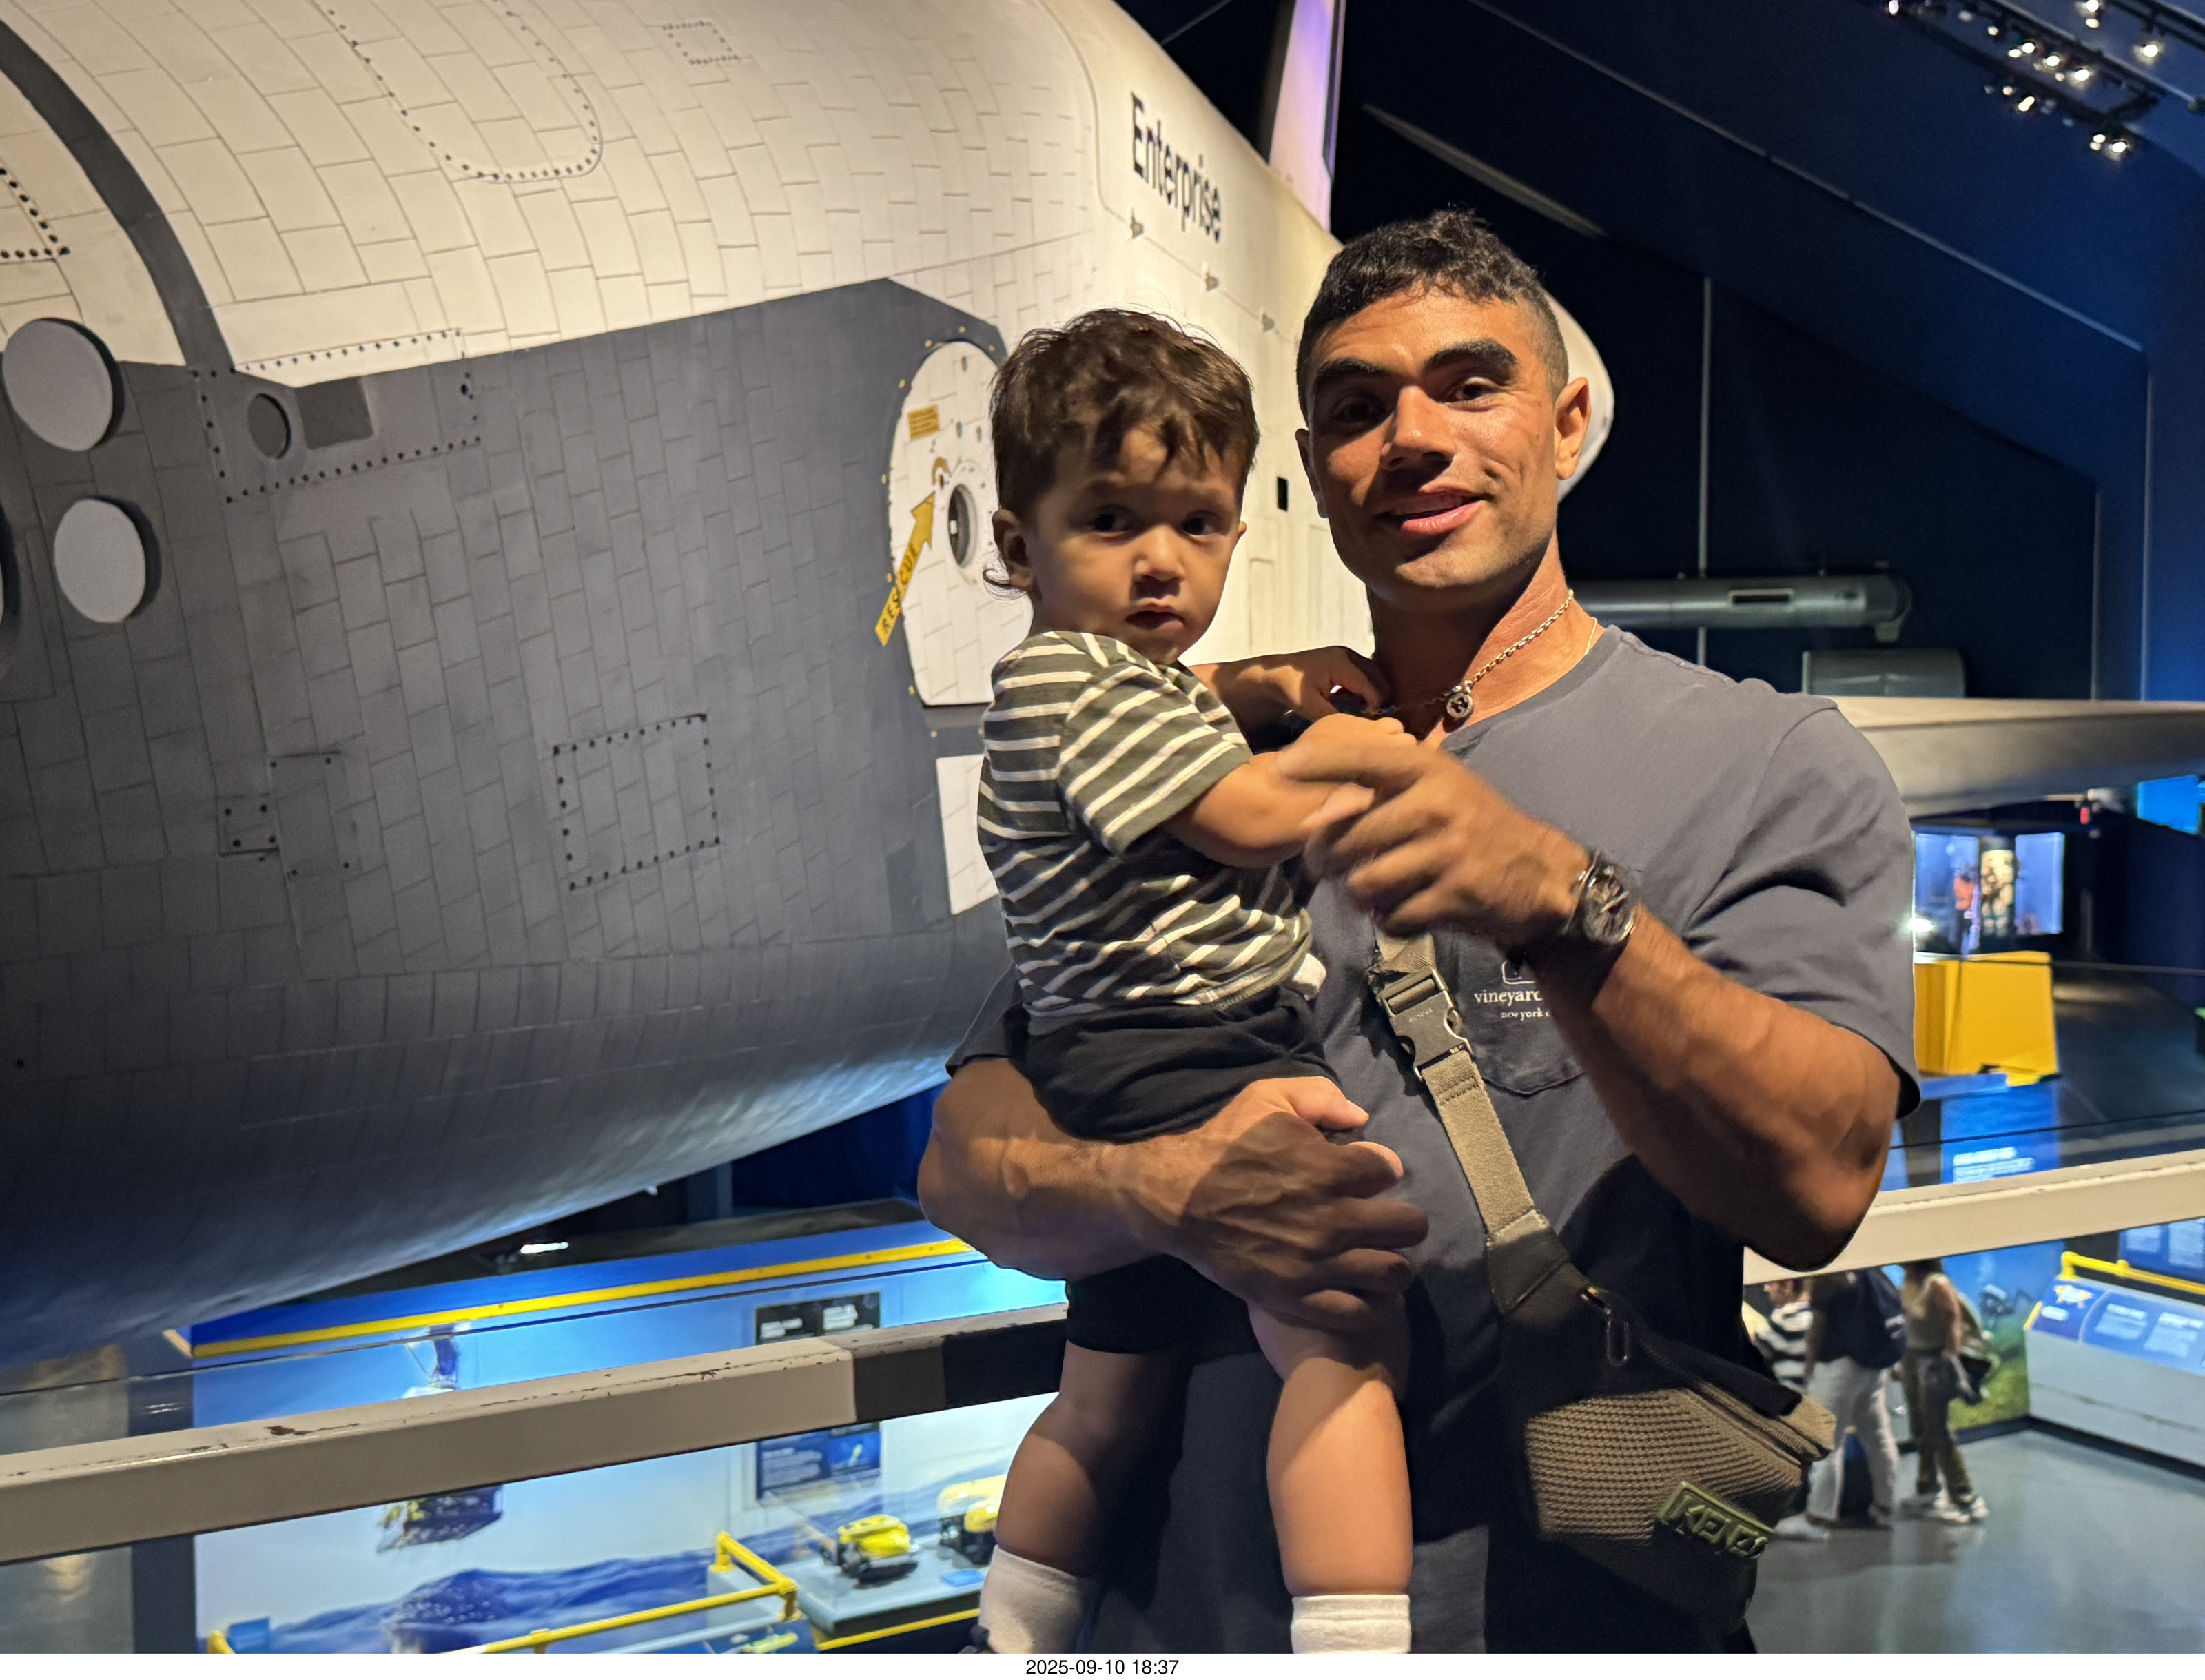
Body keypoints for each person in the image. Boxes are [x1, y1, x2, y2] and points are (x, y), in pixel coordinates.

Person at [920, 208, 1918, 1652]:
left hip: (1555, 1620)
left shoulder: (1770, 764)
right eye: (1356, 408)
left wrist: (1569, 909)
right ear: (1311, 473)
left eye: (1470, 385)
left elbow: (1819, 1185)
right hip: (1171, 1622)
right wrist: (1157, 1191)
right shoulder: (1191, 747)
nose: (1413, 439)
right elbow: (964, 1163)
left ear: (1568, 425)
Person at [967, 309, 1415, 1655]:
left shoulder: (1086, 680)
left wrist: (1259, 688)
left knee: (1107, 1385)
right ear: (1018, 547)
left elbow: (1186, 715)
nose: (1162, 559)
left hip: (1101, 1063)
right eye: (1112, 520)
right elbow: (1245, 817)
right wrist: (1373, 758)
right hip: (1197, 1049)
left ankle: (1017, 1627)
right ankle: (1355, 1636)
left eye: (1198, 523)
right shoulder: (1089, 687)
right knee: (1337, 1340)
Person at [1774, 1270, 1904, 1540]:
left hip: (1837, 1365)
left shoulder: (1829, 1274)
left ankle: (1818, 1519)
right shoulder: (1870, 1270)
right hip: (1871, 1365)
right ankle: (1884, 1508)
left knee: (1826, 1443)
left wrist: (1809, 1365)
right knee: (1878, 1436)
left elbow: (1819, 1323)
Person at [1898, 1258, 1988, 1523]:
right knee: (1919, 1427)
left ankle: (1965, 1497)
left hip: (1935, 1361)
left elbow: (1953, 1322)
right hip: (1911, 1358)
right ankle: (1928, 1488)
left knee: (1938, 1430)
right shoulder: (1908, 1282)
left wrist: (1950, 1360)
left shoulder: (1937, 1284)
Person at [1754, 1278, 1814, 1392]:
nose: (1766, 1289)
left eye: (1771, 1284)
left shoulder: (1785, 1317)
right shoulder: (1816, 1314)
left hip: (1788, 1393)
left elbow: (1754, 1351)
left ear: (1788, 1284)